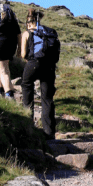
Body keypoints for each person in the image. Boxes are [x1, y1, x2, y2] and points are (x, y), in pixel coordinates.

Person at [19, 8, 58, 138]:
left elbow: (23, 54)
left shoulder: (27, 33)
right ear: (39, 19)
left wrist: (27, 59)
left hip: (34, 63)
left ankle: (28, 124)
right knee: (47, 99)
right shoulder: (48, 32)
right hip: (49, 66)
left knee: (26, 86)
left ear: (28, 21)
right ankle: (49, 133)